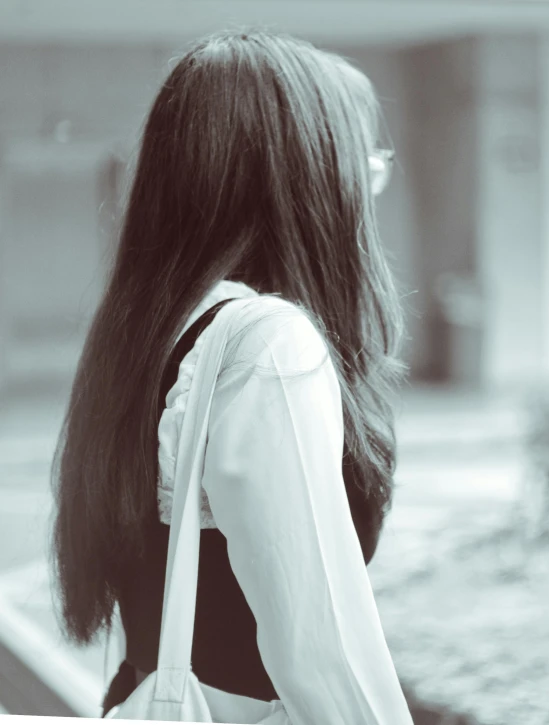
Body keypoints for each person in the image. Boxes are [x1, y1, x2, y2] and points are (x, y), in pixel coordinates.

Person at [50, 27, 413, 724]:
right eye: (364, 164)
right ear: (308, 177)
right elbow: (320, 650)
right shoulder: (268, 346)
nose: (371, 189)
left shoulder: (153, 329)